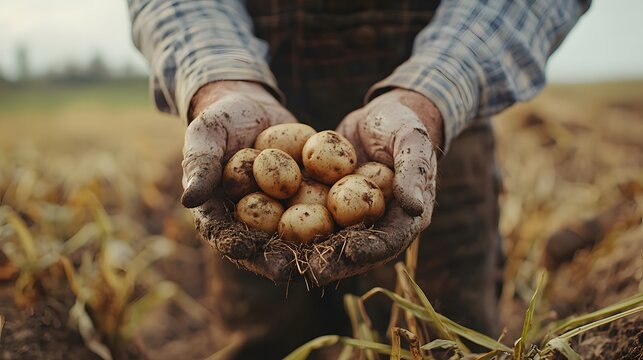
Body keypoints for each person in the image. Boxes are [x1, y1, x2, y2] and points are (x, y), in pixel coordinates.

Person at [128, 0, 589, 358]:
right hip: (252, 103)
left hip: (426, 128)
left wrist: (431, 92)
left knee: (443, 340)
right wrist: (222, 82)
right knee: (267, 342)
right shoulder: (263, 168)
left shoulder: (368, 164)